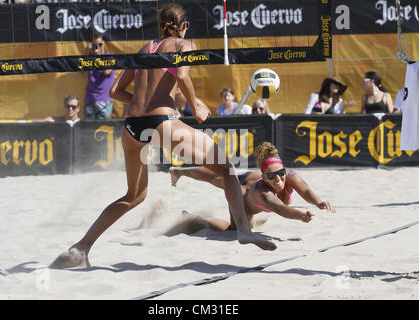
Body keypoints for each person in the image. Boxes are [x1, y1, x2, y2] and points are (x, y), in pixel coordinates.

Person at [50, 4, 276, 269]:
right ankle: (243, 231)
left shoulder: (145, 48)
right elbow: (182, 75)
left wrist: (143, 104)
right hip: (161, 122)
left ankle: (81, 247)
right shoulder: (184, 45)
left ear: (159, 26)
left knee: (134, 196)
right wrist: (196, 105)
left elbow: (114, 91)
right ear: (184, 26)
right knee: (227, 168)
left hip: (132, 126)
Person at [169, 141, 336, 232]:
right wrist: (301, 215)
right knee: (235, 229)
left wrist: (318, 202)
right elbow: (281, 210)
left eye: (281, 173)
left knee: (218, 177)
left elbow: (305, 190)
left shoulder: (289, 176)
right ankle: (196, 219)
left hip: (250, 178)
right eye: (271, 176)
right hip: (243, 198)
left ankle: (180, 172)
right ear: (264, 177)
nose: (278, 179)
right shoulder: (262, 193)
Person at [84, 31, 116, 120]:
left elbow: (106, 72)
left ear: (104, 44)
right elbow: (80, 71)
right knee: (88, 129)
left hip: (105, 99)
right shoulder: (89, 58)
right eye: (95, 45)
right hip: (90, 98)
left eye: (100, 44)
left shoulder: (111, 56)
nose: (98, 47)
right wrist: (87, 52)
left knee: (104, 127)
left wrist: (98, 57)